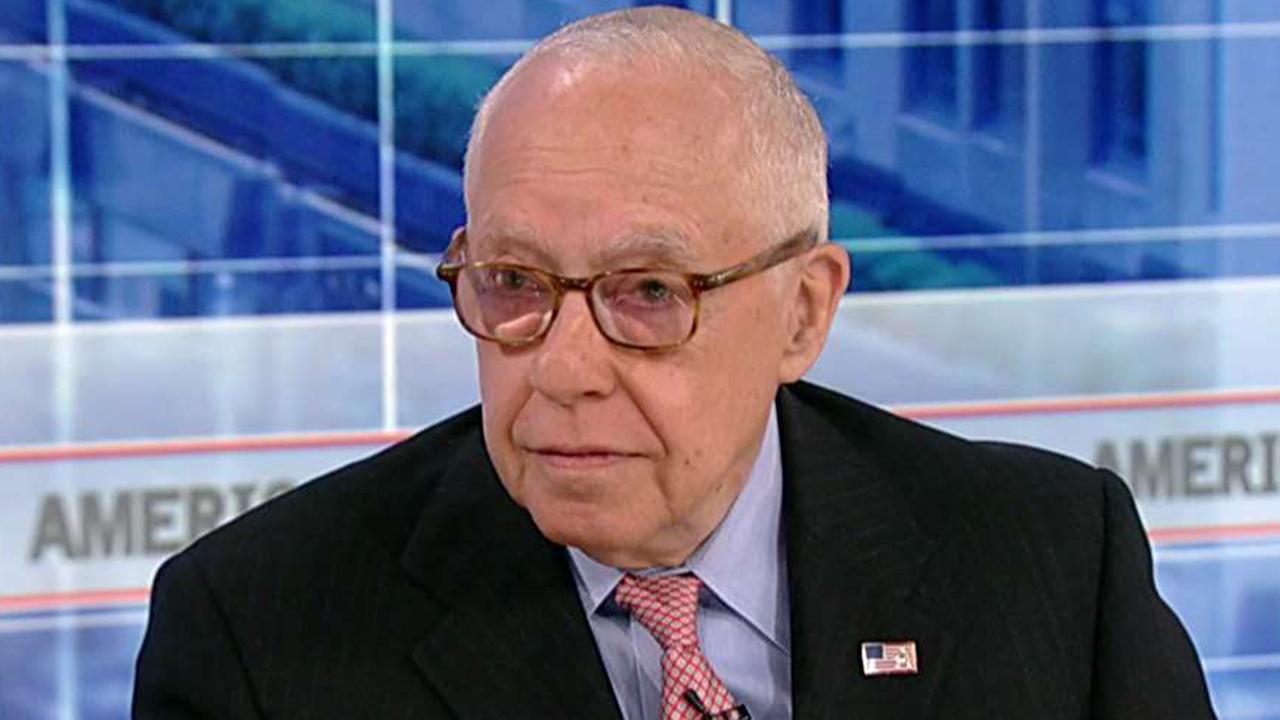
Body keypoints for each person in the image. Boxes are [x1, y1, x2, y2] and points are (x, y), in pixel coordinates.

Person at [133, 7, 1216, 719]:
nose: (563, 369)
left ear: (802, 313)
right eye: (512, 282)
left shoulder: (1049, 561)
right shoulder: (260, 632)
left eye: (648, 293)